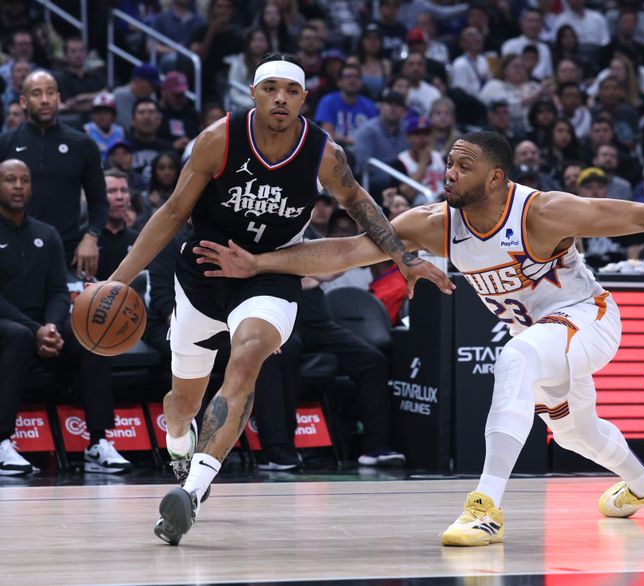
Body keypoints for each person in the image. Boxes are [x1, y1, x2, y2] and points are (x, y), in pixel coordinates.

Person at [194, 131, 644, 546]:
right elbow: (346, 251)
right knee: (576, 432)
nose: (448, 173)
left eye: (463, 165)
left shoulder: (545, 213)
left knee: (518, 355)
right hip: (546, 335)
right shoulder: (433, 224)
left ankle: (486, 508)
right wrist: (260, 262)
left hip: (592, 319)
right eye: (447, 164)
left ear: (496, 177)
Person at [106, 53, 451, 546]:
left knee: (247, 358)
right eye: (270, 88)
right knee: (183, 402)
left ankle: (194, 490)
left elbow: (359, 204)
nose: (281, 98)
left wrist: (401, 257)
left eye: (291, 90)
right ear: (253, 93)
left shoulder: (322, 153)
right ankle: (179, 439)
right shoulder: (219, 139)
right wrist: (119, 281)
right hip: (203, 272)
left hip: (269, 274)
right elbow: (171, 212)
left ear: (304, 98)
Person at [0, 159, 131, 475]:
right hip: (11, 328)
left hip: (43, 327)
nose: (18, 186)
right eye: (10, 180)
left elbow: (59, 291)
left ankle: (98, 442)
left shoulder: (47, 234)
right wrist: (37, 330)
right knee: (16, 335)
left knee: (92, 336)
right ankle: (2, 441)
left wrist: (53, 327)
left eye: (25, 180)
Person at [0, 71, 107, 280]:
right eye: (37, 93)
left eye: (50, 93)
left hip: (66, 255)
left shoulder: (83, 145)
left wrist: (92, 236)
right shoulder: (5, 144)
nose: (45, 100)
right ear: (23, 101)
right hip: (10, 250)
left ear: (58, 98)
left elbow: (99, 202)